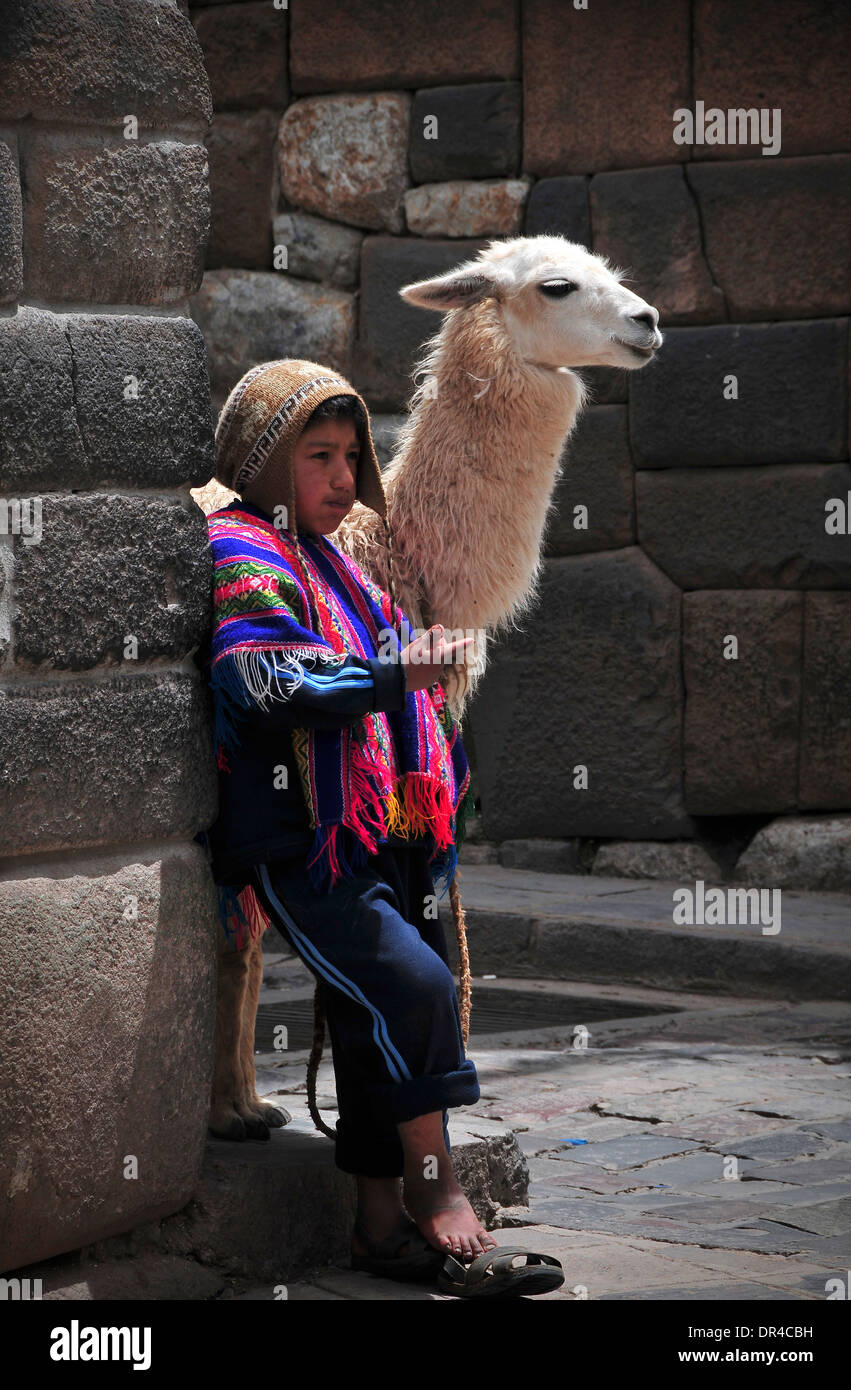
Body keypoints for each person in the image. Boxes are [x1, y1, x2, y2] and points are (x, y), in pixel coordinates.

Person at [198, 359, 565, 1297]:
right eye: (316, 456)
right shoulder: (246, 551)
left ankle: (378, 1231)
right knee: (413, 987)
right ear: (262, 462)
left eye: (351, 455)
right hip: (303, 835)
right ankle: (436, 1193)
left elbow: (387, 691)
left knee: (370, 1020)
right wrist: (398, 675)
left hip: (384, 833)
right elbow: (263, 680)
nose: (344, 478)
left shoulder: (335, 563)